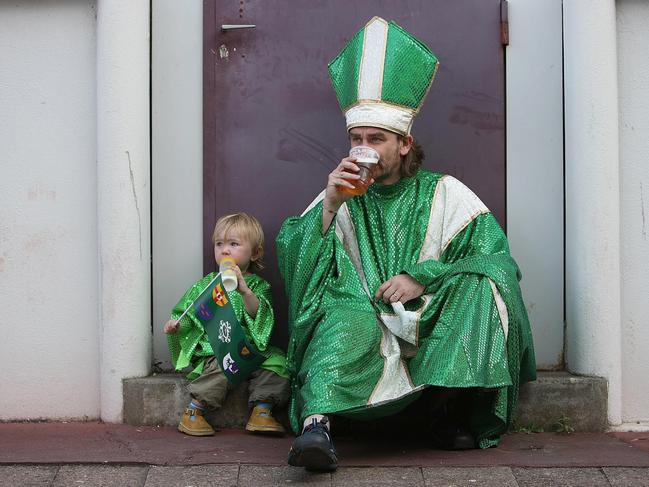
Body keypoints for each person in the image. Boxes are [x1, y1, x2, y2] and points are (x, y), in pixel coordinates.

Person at [276, 17, 536, 471]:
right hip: (362, 307)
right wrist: (330, 206)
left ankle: (445, 411)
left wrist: (422, 276)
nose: (365, 148)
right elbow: (300, 266)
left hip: (425, 308)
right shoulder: (339, 191)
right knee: (341, 315)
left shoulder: (447, 193)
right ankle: (317, 429)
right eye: (356, 139)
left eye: (376, 139)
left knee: (480, 288)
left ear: (404, 142)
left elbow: (497, 262)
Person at [165, 213, 290, 436]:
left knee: (278, 362)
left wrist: (244, 290)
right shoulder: (206, 285)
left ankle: (261, 410)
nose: (224, 250)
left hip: (250, 349)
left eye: (234, 244)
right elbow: (189, 316)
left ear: (256, 253)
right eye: (219, 244)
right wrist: (177, 327)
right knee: (222, 367)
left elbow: (260, 314)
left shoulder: (258, 286)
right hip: (219, 348)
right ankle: (195, 411)